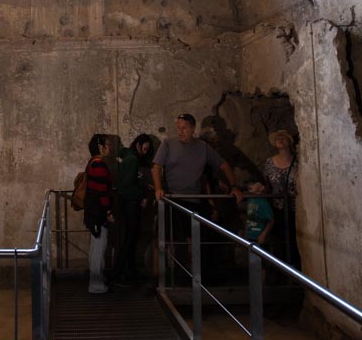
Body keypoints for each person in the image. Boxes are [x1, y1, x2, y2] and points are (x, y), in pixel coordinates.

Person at [151, 114, 244, 272]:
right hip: (171, 198)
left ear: (193, 128)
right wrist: (158, 188)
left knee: (193, 241)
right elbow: (156, 167)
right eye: (178, 128)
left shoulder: (202, 147)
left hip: (192, 200)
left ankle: (193, 279)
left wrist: (234, 186)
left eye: (184, 128)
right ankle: (156, 279)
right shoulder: (168, 143)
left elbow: (223, 164)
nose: (180, 131)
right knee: (162, 238)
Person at [114, 134, 153, 284]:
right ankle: (119, 271)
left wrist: (143, 186)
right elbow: (127, 185)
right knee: (131, 237)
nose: (145, 151)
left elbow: (129, 181)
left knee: (131, 237)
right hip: (131, 202)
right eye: (145, 148)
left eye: (147, 149)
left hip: (127, 202)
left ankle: (128, 270)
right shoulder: (133, 159)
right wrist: (143, 194)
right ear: (138, 144)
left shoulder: (128, 157)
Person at [262, 130, 299, 267]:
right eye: (278, 137)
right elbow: (267, 184)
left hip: (295, 209)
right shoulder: (269, 163)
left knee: (294, 242)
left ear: (289, 141)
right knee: (279, 243)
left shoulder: (297, 162)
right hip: (276, 208)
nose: (280, 139)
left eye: (283, 137)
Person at [84, 133, 114, 294]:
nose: (109, 147)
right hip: (98, 213)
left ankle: (97, 280)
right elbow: (102, 192)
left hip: (92, 212)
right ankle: (95, 285)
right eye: (107, 145)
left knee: (96, 248)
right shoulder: (99, 165)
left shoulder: (92, 163)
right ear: (100, 147)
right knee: (98, 249)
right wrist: (109, 211)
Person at [239, 179, 275, 283]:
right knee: (253, 262)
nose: (250, 185)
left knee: (261, 263)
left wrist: (263, 234)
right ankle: (255, 284)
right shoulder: (251, 200)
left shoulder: (262, 202)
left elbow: (271, 219)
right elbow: (248, 217)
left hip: (259, 236)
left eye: (254, 183)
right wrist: (246, 230)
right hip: (251, 235)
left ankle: (261, 286)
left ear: (262, 188)